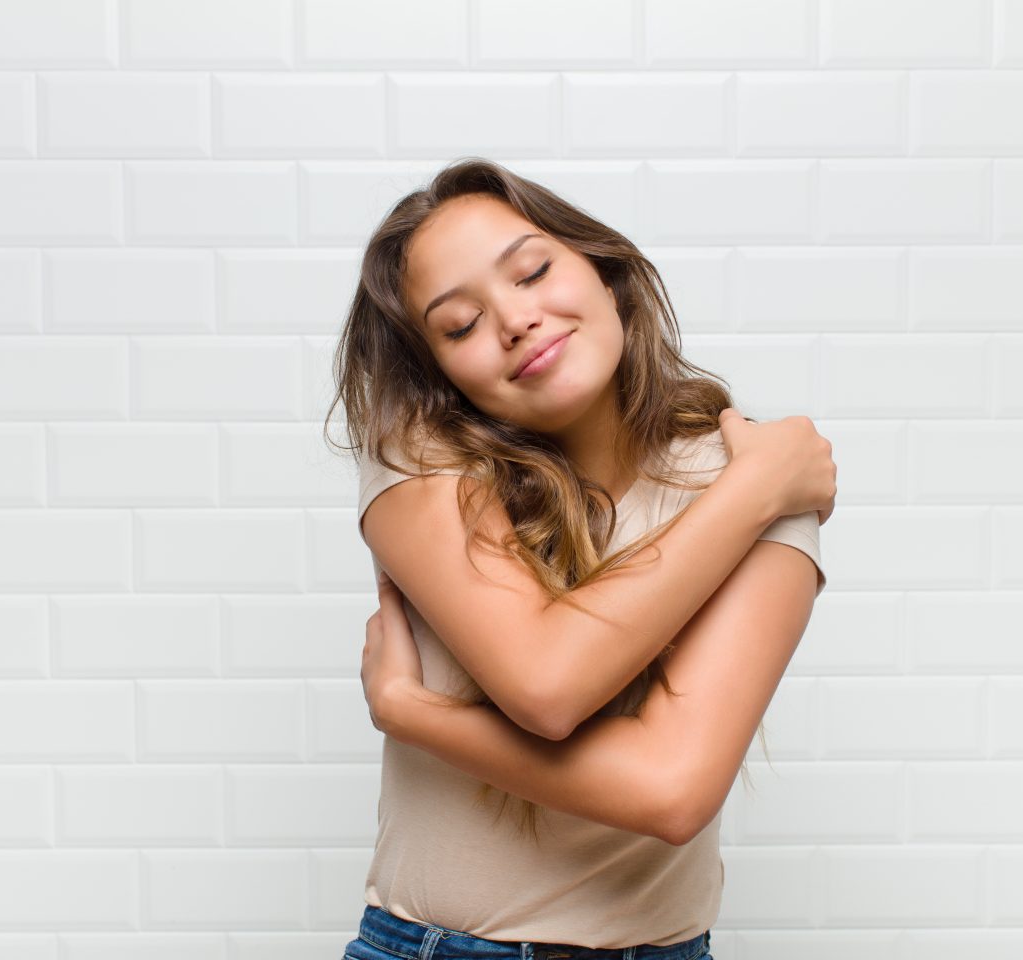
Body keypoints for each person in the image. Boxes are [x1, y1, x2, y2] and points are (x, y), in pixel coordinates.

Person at [327, 157, 836, 960]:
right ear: (440, 375)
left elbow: (673, 790)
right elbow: (547, 685)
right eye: (459, 325)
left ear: (606, 274)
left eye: (532, 272)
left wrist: (414, 711)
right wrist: (753, 495)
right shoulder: (420, 455)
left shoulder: (742, 469)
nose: (516, 320)